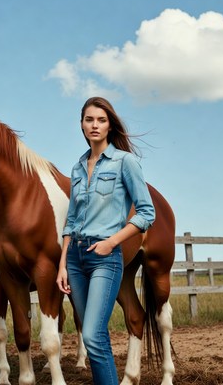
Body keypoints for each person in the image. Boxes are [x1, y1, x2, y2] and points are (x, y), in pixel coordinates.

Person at [56, 97, 155, 385]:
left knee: (92, 336)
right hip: (75, 259)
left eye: (101, 119)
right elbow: (71, 221)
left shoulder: (125, 162)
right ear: (82, 125)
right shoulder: (77, 168)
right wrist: (62, 264)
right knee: (95, 338)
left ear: (110, 125)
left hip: (104, 257)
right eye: (89, 120)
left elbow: (147, 213)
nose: (94, 125)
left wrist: (112, 242)